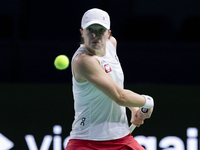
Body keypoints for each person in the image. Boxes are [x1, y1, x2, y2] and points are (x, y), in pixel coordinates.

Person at [65, 8, 154, 150]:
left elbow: (113, 87)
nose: (96, 35)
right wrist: (148, 101)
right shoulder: (83, 61)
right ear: (82, 32)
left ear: (109, 33)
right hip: (87, 142)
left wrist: (133, 108)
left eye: (101, 30)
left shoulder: (112, 45)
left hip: (121, 138)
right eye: (90, 30)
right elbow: (120, 97)